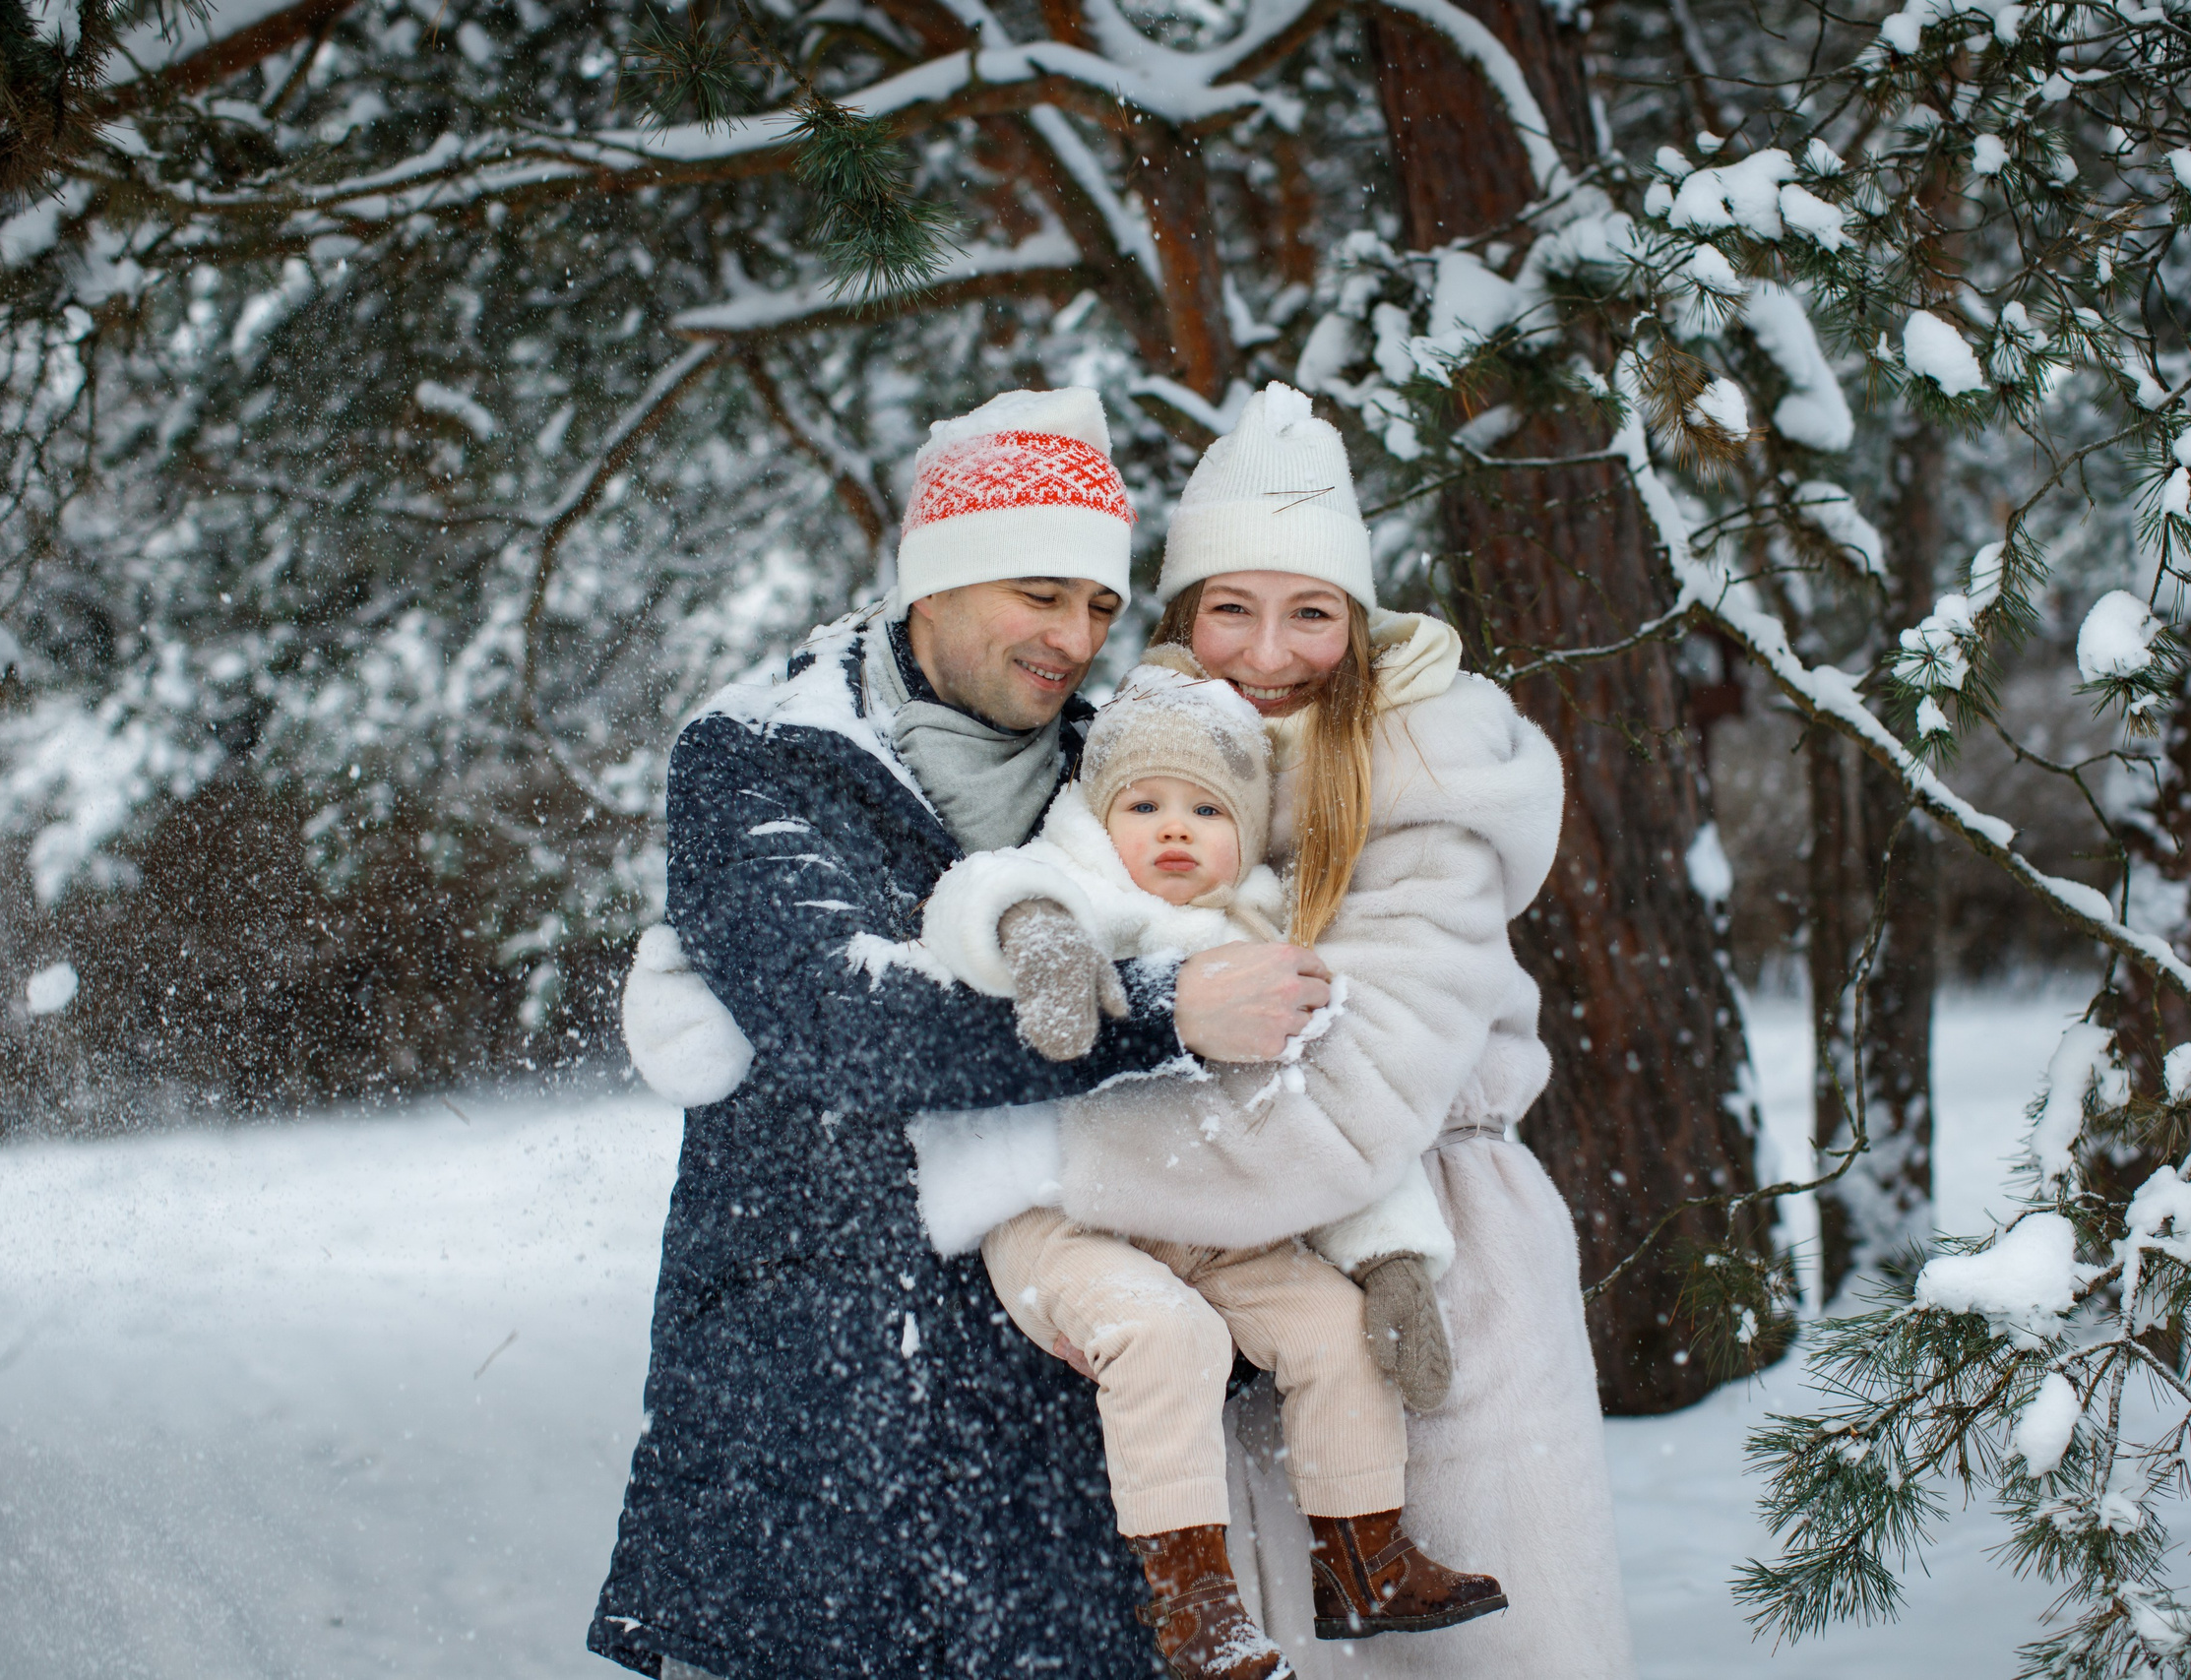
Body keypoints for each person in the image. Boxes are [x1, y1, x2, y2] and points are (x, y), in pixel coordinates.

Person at [587, 387, 1333, 1680]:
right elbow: (844, 1023)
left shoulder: (1123, 775)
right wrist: (1160, 1009)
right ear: (935, 579)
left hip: (1061, 1409)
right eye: (1039, 593)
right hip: (814, 1381)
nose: (1074, 637)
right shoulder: (760, 755)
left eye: (1097, 605)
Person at [1037, 382, 1638, 1677]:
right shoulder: (1157, 766)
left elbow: (1356, 1090)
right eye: (1230, 608)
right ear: (1182, 618)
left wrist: (1042, 1172)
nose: (1266, 653)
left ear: (1357, 622)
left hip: (1433, 1248)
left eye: (1309, 611)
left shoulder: (1423, 774)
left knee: (1482, 1653)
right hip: (1245, 1253)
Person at [904, 650, 1501, 1679]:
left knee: (1335, 1330)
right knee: (1166, 1336)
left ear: (1248, 829)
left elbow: (1334, 1121)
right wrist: (1035, 935)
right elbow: (973, 896)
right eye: (1144, 805)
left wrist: (1391, 1257)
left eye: (1206, 809)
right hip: (1068, 1219)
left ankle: (1364, 1559)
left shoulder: (1273, 943)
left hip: (1221, 1231)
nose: (1173, 829)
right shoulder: (1077, 888)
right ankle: (1193, 1604)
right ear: (1101, 818)